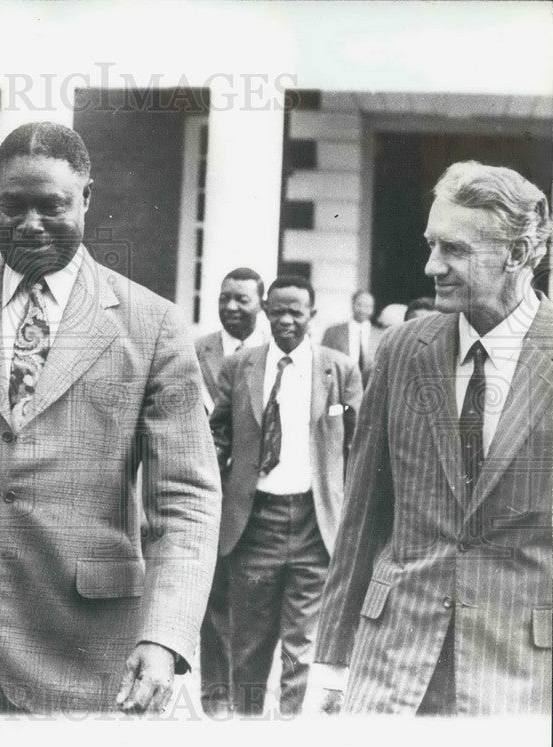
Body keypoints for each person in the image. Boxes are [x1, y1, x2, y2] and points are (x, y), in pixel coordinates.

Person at [0, 121, 220, 714]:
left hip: (89, 658)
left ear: (86, 198)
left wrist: (163, 637)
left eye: (51, 206)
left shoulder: (152, 325)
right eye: (12, 206)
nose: (29, 225)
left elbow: (187, 499)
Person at [308, 161, 553, 715]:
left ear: (518, 255)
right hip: (391, 666)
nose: (430, 265)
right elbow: (364, 516)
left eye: (455, 250)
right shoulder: (401, 350)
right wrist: (330, 662)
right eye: (430, 244)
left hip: (523, 678)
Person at [209, 275, 362, 715]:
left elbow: (359, 444)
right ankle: (246, 736)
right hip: (255, 523)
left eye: (296, 311)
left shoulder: (339, 369)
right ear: (265, 313)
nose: (286, 320)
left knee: (303, 646)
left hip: (316, 525)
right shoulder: (241, 368)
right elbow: (218, 434)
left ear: (312, 315)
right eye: (277, 311)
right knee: (249, 645)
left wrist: (346, 506)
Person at [194, 266, 267, 715]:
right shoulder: (196, 350)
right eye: (225, 298)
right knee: (213, 596)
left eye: (242, 299)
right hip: (210, 490)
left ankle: (248, 697)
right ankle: (214, 694)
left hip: (257, 495)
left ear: (261, 303)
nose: (232, 307)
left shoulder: (272, 353)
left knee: (253, 602)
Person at [321, 289, 383, 385]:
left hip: (369, 389)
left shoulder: (380, 335)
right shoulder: (333, 332)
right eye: (359, 304)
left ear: (373, 309)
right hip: (341, 386)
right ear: (352, 305)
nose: (363, 310)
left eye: (367, 306)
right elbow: (324, 363)